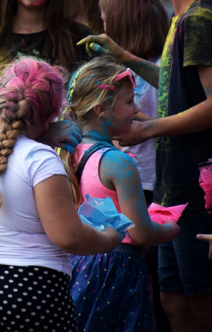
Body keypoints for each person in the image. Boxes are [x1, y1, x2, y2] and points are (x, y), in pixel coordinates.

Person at [81, 0, 212, 332]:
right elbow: (178, 84)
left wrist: (149, 128)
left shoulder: (199, 20)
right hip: (175, 189)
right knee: (173, 300)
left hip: (198, 186)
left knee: (201, 301)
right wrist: (124, 57)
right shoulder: (180, 19)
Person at [0, 57, 121, 331]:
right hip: (33, 287)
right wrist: (110, 238)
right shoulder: (40, 159)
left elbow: (5, 149)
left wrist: (42, 135)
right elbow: (69, 237)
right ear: (49, 116)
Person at [64, 58, 179, 331]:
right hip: (117, 272)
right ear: (102, 109)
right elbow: (141, 234)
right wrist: (171, 229)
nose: (136, 109)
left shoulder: (68, 151)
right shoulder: (118, 162)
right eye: (128, 102)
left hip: (79, 267)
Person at [99, 0, 169, 198]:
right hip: (127, 178)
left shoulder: (161, 69)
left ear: (122, 24)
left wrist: (138, 119)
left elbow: (179, 123)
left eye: (105, 22)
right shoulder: (117, 70)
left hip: (156, 181)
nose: (104, 30)